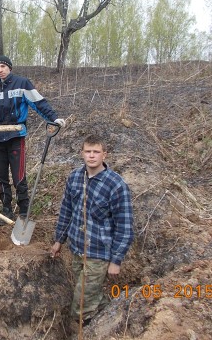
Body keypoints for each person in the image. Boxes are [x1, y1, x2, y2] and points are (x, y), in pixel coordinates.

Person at [50, 134, 134, 326]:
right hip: (77, 250)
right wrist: (58, 240)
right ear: (82, 153)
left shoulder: (116, 185)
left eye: (96, 152)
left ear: (104, 154)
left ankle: (89, 328)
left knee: (81, 307)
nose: (92, 155)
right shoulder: (74, 178)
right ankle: (111, 313)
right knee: (89, 295)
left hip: (98, 255)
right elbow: (66, 211)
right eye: (88, 151)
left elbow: (125, 227)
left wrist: (116, 261)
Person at [0, 55, 65, 225]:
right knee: (0, 176)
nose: (0, 70)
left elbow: (38, 103)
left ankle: (24, 211)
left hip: (16, 136)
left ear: (9, 68)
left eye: (3, 66)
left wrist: (53, 118)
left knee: (19, 176)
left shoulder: (22, 83)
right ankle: (6, 210)